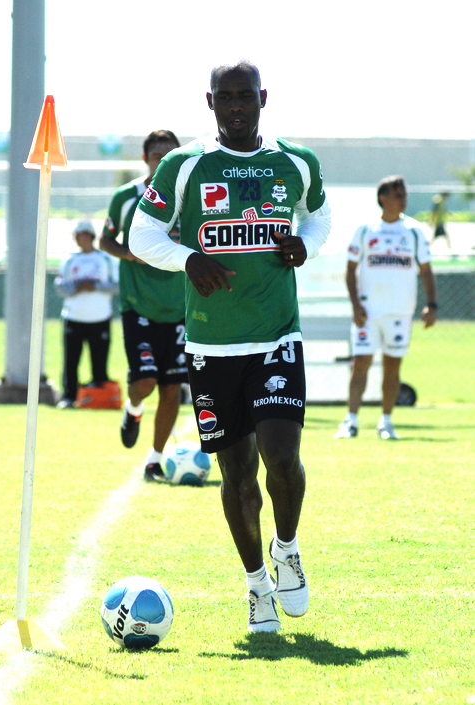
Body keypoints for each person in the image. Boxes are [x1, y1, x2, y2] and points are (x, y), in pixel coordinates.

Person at [129, 60, 331, 632]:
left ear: (263, 98)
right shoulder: (184, 165)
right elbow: (141, 234)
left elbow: (319, 216)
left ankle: (286, 548)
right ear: (210, 101)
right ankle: (257, 585)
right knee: (237, 473)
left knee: (282, 458)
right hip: (212, 347)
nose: (236, 106)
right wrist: (187, 258)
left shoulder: (295, 161)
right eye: (226, 97)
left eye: (246, 96)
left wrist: (306, 245)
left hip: (277, 337)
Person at [100, 130, 188, 481]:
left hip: (180, 307)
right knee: (146, 383)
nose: (163, 162)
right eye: (156, 157)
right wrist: (129, 253)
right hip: (138, 304)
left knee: (172, 388)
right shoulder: (127, 197)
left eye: (170, 156)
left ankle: (155, 458)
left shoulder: (192, 196)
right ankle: (133, 407)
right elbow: (105, 239)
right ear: (145, 160)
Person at [334, 175, 437, 440]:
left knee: (392, 366)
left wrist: (431, 304)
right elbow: (350, 270)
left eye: (404, 195)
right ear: (383, 198)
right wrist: (356, 305)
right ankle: (350, 421)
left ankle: (386, 422)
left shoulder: (414, 231)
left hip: (400, 313)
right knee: (360, 363)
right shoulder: (366, 230)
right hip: (368, 314)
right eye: (398, 195)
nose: (404, 200)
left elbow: (426, 270)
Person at [54, 220, 119, 409]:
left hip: (100, 317)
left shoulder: (105, 259)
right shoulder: (69, 259)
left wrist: (95, 286)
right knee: (71, 360)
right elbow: (60, 287)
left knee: (99, 360)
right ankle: (69, 397)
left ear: (89, 236)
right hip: (73, 317)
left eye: (80, 235)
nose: (77, 239)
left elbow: (116, 285)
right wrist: (77, 287)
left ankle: (99, 395)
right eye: (75, 235)